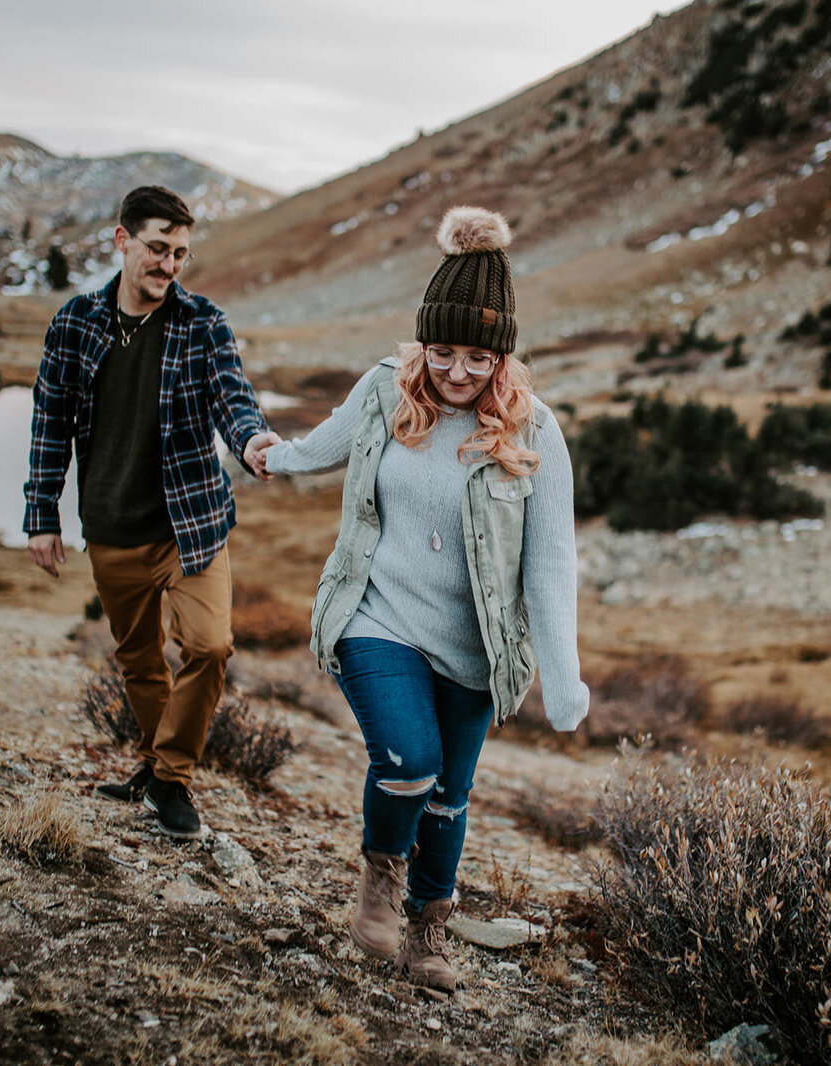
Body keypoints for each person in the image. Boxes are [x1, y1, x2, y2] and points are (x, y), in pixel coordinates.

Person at [252, 205, 589, 992]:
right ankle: (380, 875)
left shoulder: (535, 431)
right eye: (443, 351)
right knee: (407, 762)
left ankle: (428, 931)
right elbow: (323, 445)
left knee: (449, 796)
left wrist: (564, 674)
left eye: (478, 355)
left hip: (474, 647)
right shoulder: (384, 390)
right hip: (378, 617)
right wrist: (276, 455)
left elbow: (551, 563)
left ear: (503, 354)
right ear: (422, 343)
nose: (458, 371)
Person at [23, 185, 281, 841]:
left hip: (190, 527)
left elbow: (232, 397)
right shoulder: (74, 323)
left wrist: (252, 440)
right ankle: (158, 767)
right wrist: (42, 515)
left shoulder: (203, 324)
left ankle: (169, 781)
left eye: (181, 254)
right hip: (109, 528)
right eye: (158, 249)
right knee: (138, 661)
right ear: (122, 241)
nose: (169, 265)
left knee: (210, 645)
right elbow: (50, 422)